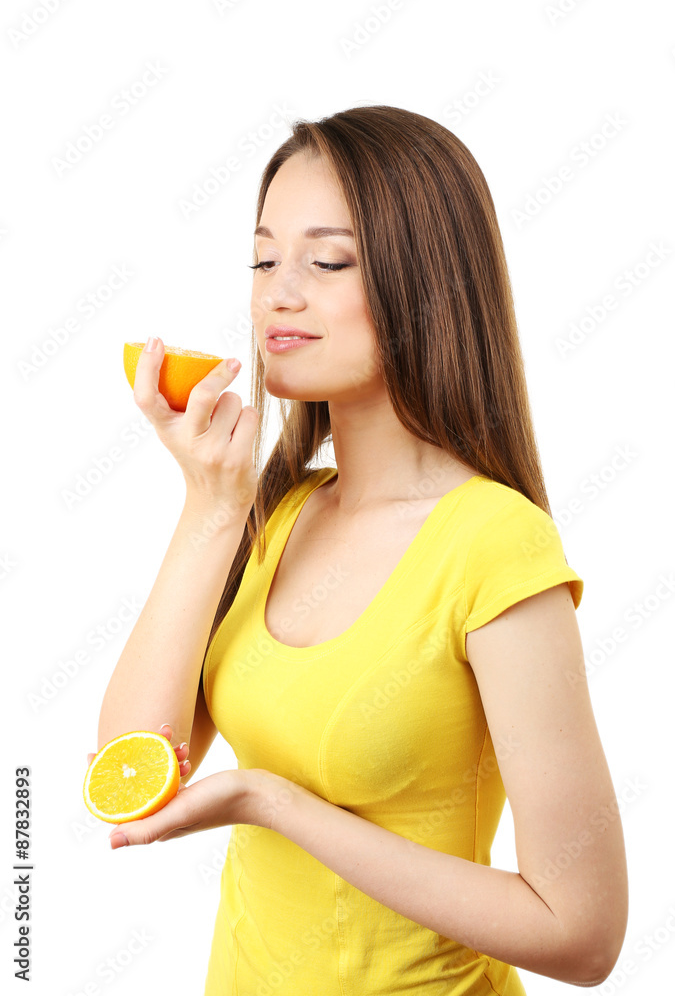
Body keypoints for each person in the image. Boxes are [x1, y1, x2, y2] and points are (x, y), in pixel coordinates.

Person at [90, 105, 628, 994]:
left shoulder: (495, 546)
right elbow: (131, 768)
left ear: (428, 284)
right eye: (263, 260)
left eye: (326, 261)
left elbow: (581, 935)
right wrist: (210, 509)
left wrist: (270, 802)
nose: (276, 293)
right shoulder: (279, 512)